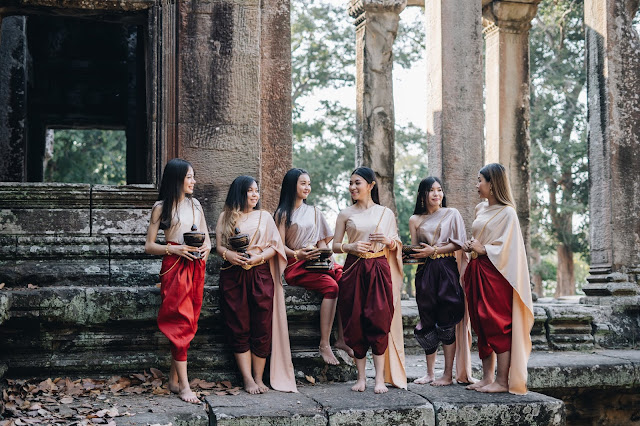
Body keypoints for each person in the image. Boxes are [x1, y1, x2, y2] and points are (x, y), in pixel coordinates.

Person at [215, 176, 297, 394]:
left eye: (257, 191)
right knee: (238, 325)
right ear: (239, 193)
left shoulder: (265, 216)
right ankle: (248, 379)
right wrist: (230, 255)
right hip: (233, 275)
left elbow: (275, 246)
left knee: (262, 326)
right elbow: (219, 247)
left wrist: (257, 259)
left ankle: (260, 378)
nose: (255, 195)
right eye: (250, 191)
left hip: (260, 274)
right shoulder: (226, 217)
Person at [332, 167, 406, 393]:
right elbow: (334, 245)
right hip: (354, 266)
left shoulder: (386, 213)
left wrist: (388, 241)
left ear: (371, 186)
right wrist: (349, 246)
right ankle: (361, 378)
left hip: (379, 267)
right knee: (354, 320)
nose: (353, 187)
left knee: (379, 320)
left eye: (358, 183)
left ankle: (380, 380)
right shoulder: (345, 213)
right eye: (350, 183)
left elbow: (396, 244)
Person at [462, 163, 534, 394]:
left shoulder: (508, 212)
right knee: (480, 323)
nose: (476, 185)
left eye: (480, 180)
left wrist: (484, 250)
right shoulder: (479, 209)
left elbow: (510, 248)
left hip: (496, 273)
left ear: (492, 184)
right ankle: (486, 377)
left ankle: (502, 381)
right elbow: (479, 237)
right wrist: (471, 247)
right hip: (476, 269)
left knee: (496, 322)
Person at [145, 158, 211, 404]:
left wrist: (206, 249)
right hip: (174, 265)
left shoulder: (196, 205)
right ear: (177, 179)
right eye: (189, 177)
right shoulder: (161, 207)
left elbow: (207, 239)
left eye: (194, 177)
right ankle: (184, 386)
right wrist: (175, 250)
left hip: (196, 265)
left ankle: (173, 380)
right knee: (180, 323)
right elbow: (149, 246)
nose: (194, 181)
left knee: (190, 322)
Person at [274, 168, 353, 365]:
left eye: (309, 184)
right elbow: (278, 245)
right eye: (303, 183)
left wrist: (326, 257)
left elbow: (322, 242)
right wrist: (297, 254)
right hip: (296, 264)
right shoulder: (282, 214)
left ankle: (343, 339)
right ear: (292, 185)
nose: (307, 187)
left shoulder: (315, 212)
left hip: (317, 261)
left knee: (345, 280)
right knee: (331, 287)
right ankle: (324, 344)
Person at [407, 177, 474, 386]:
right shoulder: (415, 220)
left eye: (439, 190)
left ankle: (447, 374)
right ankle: (429, 373)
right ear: (423, 195)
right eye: (431, 191)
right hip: (425, 271)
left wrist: (434, 249)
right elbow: (416, 249)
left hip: (446, 268)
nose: (437, 194)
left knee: (446, 320)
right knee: (427, 318)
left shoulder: (451, 214)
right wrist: (404, 253)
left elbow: (460, 244)